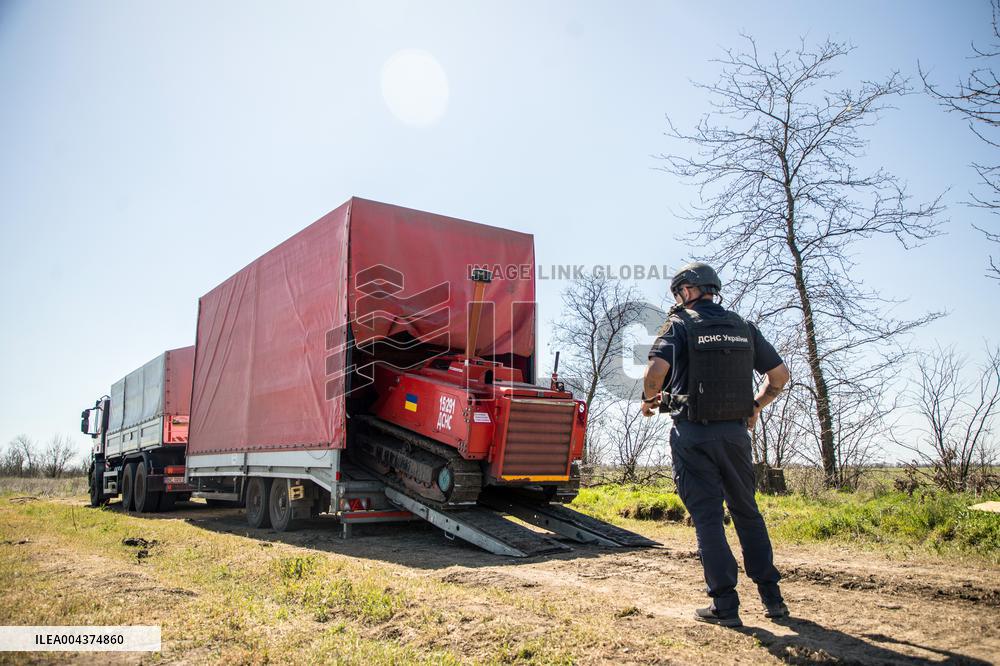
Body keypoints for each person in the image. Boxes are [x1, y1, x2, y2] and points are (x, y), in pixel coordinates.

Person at [642, 262, 790, 628]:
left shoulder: (678, 325)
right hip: (737, 435)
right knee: (747, 511)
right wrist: (756, 405)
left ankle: (725, 605)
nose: (677, 300)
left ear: (689, 291)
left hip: (693, 434)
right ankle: (773, 599)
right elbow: (780, 376)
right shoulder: (743, 327)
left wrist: (650, 400)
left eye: (678, 294)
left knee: (708, 517)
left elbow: (655, 374)